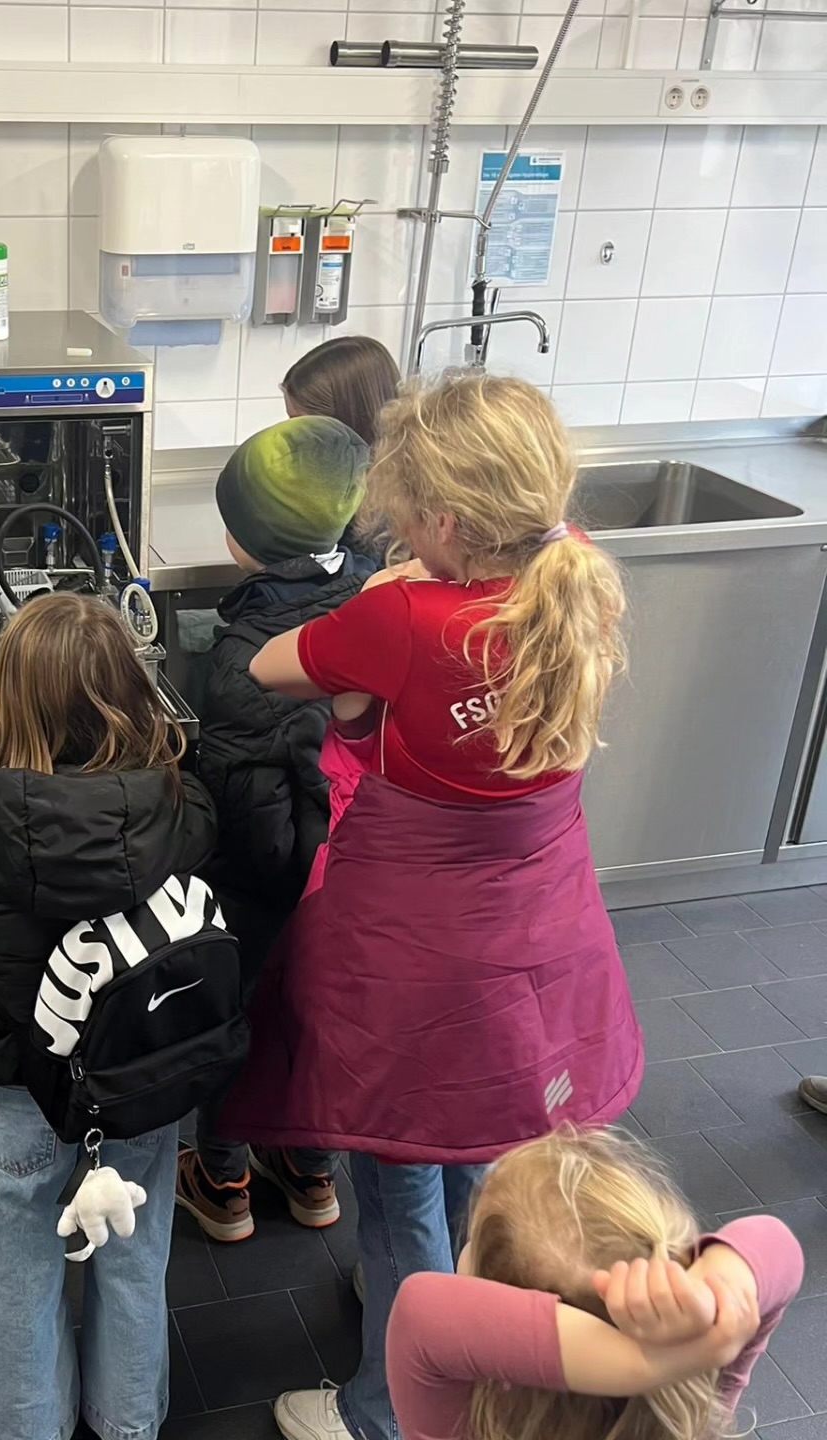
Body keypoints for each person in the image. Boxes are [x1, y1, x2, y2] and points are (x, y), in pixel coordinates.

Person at [220, 374, 645, 1440]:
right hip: (544, 932)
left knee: (400, 1180)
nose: (397, 533)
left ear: (446, 523)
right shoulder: (578, 575)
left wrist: (388, 595)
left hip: (419, 961)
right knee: (483, 1145)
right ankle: (465, 1330)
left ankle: (388, 1410)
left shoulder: (401, 617)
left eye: (407, 516)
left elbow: (271, 667)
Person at [0, 594, 216, 1440]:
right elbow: (207, 809)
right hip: (138, 1072)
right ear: (133, 696)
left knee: (16, 1267)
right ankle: (127, 1419)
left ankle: (21, 1424)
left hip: (20, 1081)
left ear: (7, 704)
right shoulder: (176, 805)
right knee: (135, 1255)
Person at [176, 416, 376, 1244]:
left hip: (266, 883)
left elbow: (246, 807)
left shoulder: (242, 659)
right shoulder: (374, 595)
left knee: (240, 1019)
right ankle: (310, 1168)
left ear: (241, 541)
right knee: (321, 1023)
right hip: (353, 872)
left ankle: (222, 1179)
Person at [381, 1127, 804, 1440]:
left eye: (473, 1242)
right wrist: (712, 1306)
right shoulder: (699, 1387)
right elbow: (778, 1244)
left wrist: (642, 1365)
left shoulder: (463, 1421)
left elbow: (422, 1311)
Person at [282, 335, 401, 556]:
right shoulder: (338, 478)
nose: (294, 436)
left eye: (301, 424)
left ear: (347, 423)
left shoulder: (378, 517)